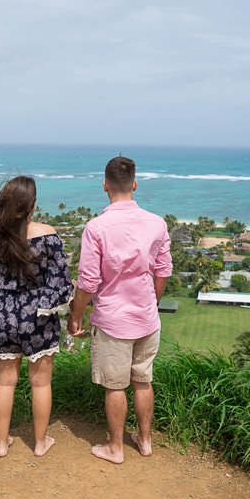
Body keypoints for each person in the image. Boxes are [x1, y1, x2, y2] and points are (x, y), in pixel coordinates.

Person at [68, 156, 172, 464]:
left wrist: (76, 314)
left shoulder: (96, 227)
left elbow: (88, 281)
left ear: (105, 186)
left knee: (115, 386)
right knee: (143, 380)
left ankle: (115, 447)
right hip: (147, 319)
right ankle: (145, 440)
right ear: (135, 185)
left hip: (114, 320)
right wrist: (151, 302)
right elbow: (163, 271)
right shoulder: (157, 223)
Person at [0, 175, 73, 457]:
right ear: (31, 206)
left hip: (4, 313)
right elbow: (60, 281)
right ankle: (40, 443)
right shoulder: (47, 234)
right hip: (37, 315)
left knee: (5, 382)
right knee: (40, 383)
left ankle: (2, 443)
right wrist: (48, 302)